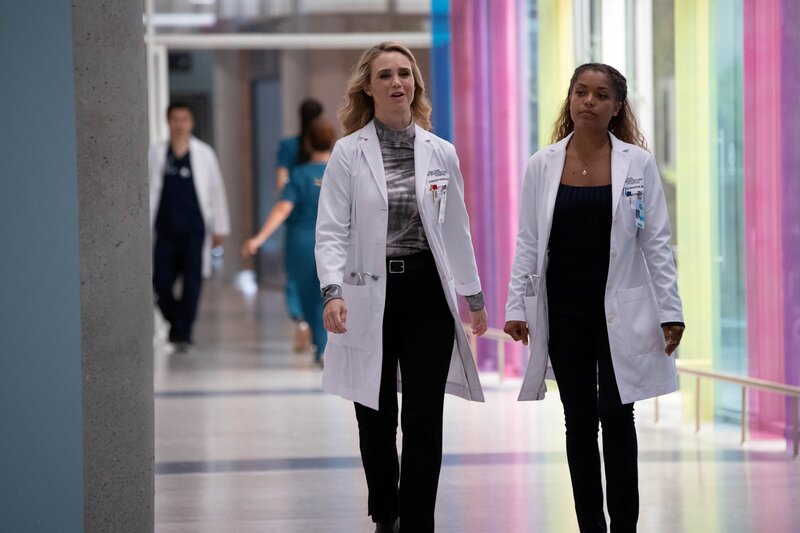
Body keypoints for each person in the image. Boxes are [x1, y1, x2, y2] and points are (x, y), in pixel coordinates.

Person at [315, 42, 488, 533]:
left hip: (426, 293)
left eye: (404, 74)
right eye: (385, 75)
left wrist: (473, 296)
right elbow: (330, 230)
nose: (397, 83)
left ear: (416, 84)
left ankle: (417, 521)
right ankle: (386, 513)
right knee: (374, 415)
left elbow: (455, 228)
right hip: (368, 294)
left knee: (423, 417)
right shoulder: (348, 153)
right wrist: (332, 291)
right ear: (368, 88)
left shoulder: (440, 152)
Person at [504, 63, 685, 533]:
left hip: (620, 310)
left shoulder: (637, 164)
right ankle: (591, 526)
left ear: (616, 107)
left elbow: (656, 241)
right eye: (581, 92)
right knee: (579, 422)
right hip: (564, 311)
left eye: (601, 95)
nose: (589, 101)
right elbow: (528, 241)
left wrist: (671, 311)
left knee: (619, 416)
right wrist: (517, 306)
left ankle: (624, 525)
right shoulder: (543, 164)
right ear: (569, 99)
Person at [243, 118, 336, 365]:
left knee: (305, 293)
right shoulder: (340, 173)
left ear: (307, 143)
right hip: (335, 241)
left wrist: (259, 238)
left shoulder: (299, 175)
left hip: (302, 243)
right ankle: (325, 346)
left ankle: (316, 340)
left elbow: (283, 208)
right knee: (328, 292)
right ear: (333, 142)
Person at [149, 102, 230, 351]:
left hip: (195, 228)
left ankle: (183, 334)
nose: (179, 124)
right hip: (165, 228)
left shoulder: (204, 153)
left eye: (184, 119)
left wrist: (219, 227)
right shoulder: (156, 153)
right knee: (160, 282)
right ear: (168, 121)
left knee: (192, 282)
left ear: (191, 123)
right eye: (175, 119)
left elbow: (216, 190)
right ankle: (177, 323)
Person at [275, 99, 324, 352]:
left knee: (296, 279)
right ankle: (321, 339)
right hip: (324, 222)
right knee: (323, 282)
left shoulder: (289, 146)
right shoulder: (329, 156)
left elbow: (281, 182)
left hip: (298, 222)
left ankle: (301, 320)